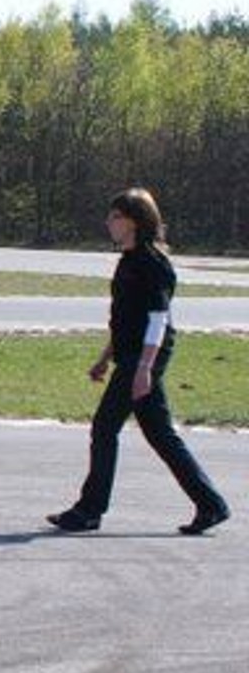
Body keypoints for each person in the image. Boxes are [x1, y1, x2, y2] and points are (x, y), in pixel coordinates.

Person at [48, 188, 231, 536]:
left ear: (133, 221)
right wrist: (105, 358)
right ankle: (211, 505)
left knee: (104, 427)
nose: (108, 223)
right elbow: (125, 320)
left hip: (147, 356)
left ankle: (89, 510)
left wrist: (144, 368)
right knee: (160, 434)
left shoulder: (152, 263)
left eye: (115, 217)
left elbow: (157, 319)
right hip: (132, 355)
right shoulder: (128, 261)